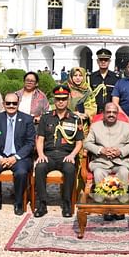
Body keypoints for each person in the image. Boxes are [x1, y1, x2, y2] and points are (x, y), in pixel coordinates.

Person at [0, 92, 35, 216]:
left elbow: (30, 143)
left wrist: (15, 157)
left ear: (18, 104)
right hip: (1, 156)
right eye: (8, 103)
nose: (11, 105)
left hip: (19, 157)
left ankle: (19, 201)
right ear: (3, 104)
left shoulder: (27, 119)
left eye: (14, 103)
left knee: (21, 173)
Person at [34, 85, 83, 218]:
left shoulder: (75, 118)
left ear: (68, 100)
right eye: (58, 99)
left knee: (69, 169)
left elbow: (79, 142)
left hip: (66, 155)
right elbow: (40, 139)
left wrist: (72, 155)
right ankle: (42, 203)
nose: (61, 101)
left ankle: (66, 203)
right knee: (40, 167)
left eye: (64, 99)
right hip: (48, 154)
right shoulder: (46, 118)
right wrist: (40, 154)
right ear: (54, 100)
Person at [84, 102, 129, 220]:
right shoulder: (95, 126)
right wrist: (100, 150)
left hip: (120, 161)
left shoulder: (125, 126)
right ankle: (104, 206)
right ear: (103, 113)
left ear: (117, 114)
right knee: (98, 173)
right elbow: (87, 143)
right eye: (108, 112)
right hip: (101, 162)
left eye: (114, 112)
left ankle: (120, 206)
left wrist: (120, 151)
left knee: (124, 172)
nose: (111, 114)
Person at [88, 48, 119, 116]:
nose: (103, 62)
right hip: (95, 113)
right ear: (97, 61)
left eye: (106, 60)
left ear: (109, 61)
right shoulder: (91, 77)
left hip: (110, 114)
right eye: (101, 60)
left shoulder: (116, 78)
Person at [66, 66, 96, 130]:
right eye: (75, 75)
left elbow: (92, 106)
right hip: (67, 123)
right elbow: (59, 105)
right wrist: (73, 113)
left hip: (83, 124)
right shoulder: (66, 88)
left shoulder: (87, 90)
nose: (78, 78)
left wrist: (86, 114)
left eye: (80, 75)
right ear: (71, 77)